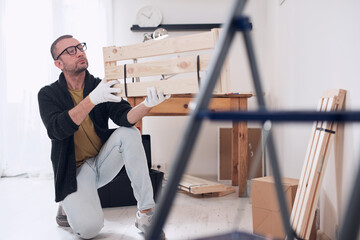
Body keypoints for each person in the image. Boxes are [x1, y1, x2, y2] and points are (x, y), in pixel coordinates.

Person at [38, 35, 170, 239]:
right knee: (89, 230)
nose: (79, 52)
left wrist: (147, 105)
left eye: (80, 46)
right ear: (59, 63)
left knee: (130, 133)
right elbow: (57, 130)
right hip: (73, 174)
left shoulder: (100, 86)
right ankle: (66, 204)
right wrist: (92, 100)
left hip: (101, 163)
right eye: (70, 51)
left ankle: (145, 213)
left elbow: (125, 117)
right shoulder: (48, 94)